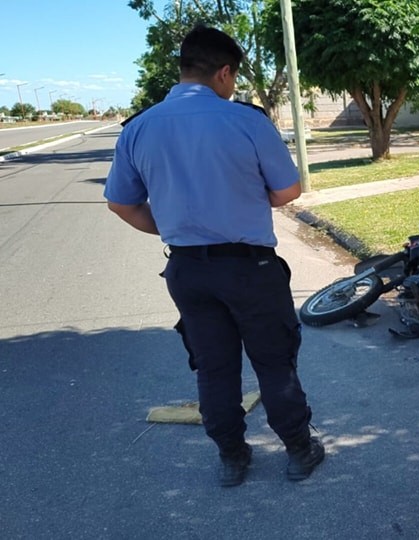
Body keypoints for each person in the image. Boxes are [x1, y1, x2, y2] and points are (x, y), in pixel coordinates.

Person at [104, 25, 324, 487]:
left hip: (187, 269)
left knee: (214, 365)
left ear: (184, 68)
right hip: (249, 268)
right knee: (273, 360)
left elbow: (122, 204)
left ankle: (232, 457)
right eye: (233, 78)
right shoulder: (246, 121)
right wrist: (238, 197)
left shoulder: (140, 127)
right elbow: (286, 191)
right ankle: (299, 450)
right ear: (223, 73)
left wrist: (175, 224)